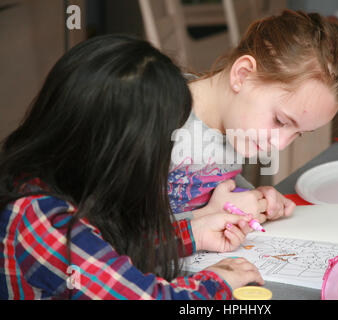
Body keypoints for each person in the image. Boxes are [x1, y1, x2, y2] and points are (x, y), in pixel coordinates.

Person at [0, 35, 263, 300]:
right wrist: (220, 280)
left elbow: (106, 248)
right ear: (116, 148)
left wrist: (192, 234)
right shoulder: (41, 217)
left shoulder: (67, 184)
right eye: (161, 145)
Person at [168, 10, 338, 222]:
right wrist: (207, 217)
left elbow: (210, 183)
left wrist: (252, 196)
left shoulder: (233, 126)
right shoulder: (159, 119)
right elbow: (127, 239)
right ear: (243, 74)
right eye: (280, 121)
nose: (281, 144)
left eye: (298, 133)